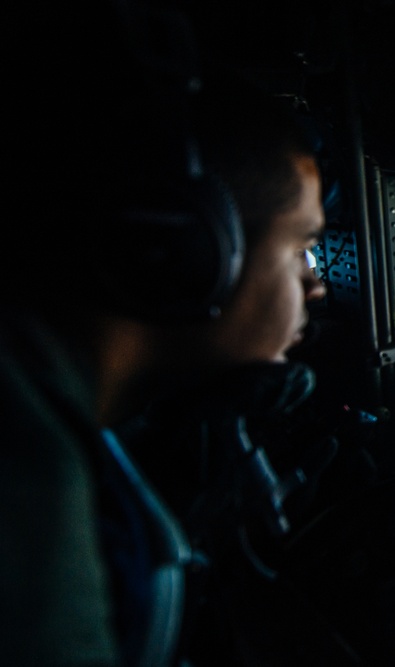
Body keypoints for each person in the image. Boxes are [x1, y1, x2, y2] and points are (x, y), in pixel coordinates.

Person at [0, 9, 328, 663]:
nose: (315, 286)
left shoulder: (39, 386)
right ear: (189, 250)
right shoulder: (27, 474)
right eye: (303, 249)